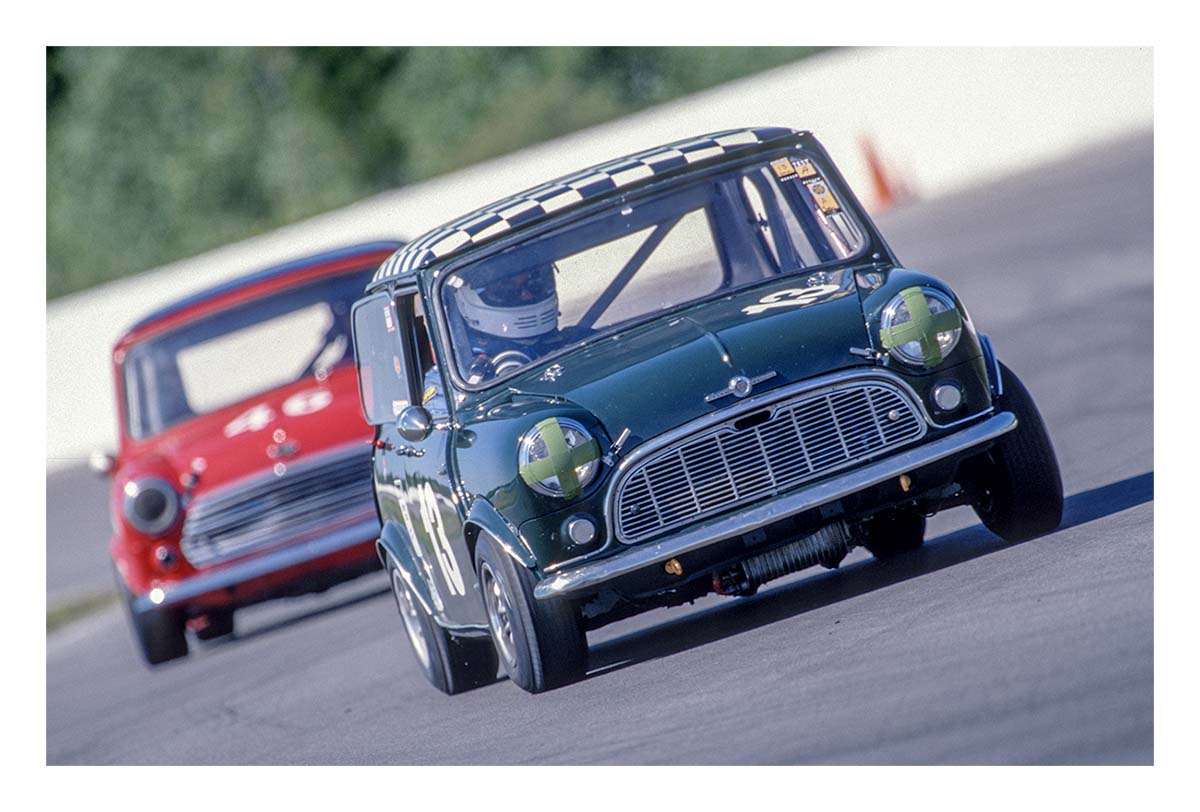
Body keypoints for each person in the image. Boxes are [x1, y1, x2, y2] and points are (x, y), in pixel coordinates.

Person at [446, 261, 563, 384]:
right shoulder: (457, 377)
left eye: (535, 285)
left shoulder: (573, 339)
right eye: (508, 290)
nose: (527, 296)